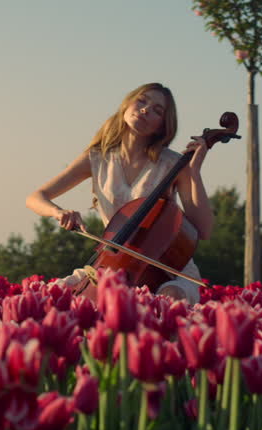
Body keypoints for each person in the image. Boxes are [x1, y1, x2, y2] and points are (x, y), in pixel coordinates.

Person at [25, 82, 213, 303]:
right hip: (111, 264)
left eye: (157, 110)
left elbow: (203, 229)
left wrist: (194, 173)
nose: (145, 110)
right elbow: (35, 197)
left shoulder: (172, 164)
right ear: (126, 105)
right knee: (52, 297)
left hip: (167, 270)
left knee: (167, 299)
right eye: (141, 101)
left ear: (162, 126)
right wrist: (58, 212)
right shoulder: (97, 158)